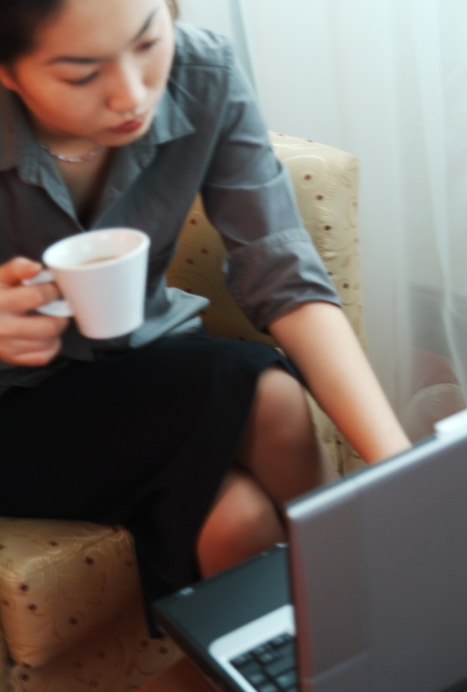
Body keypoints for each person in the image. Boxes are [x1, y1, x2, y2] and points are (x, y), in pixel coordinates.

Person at [0, 0, 410, 620]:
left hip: (139, 369)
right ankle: (377, 613)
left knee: (237, 524)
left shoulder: (202, 73)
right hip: (15, 409)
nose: (133, 95)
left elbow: (282, 271)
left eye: (147, 41)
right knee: (260, 388)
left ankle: (330, 654)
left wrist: (401, 471)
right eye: (82, 74)